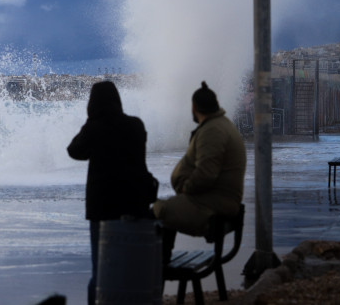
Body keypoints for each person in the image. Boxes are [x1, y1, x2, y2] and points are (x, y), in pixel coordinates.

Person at [67, 81, 157, 305]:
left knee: (102, 267)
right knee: (131, 264)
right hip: (136, 203)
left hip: (103, 208)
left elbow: (75, 151)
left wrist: (91, 120)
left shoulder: (95, 127)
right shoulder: (135, 125)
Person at [152, 81, 247, 262]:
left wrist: (186, 188)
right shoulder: (222, 125)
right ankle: (162, 264)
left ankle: (158, 268)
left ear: (194, 107)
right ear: (216, 103)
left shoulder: (213, 130)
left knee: (157, 211)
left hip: (212, 206)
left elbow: (206, 174)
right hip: (218, 201)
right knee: (166, 208)